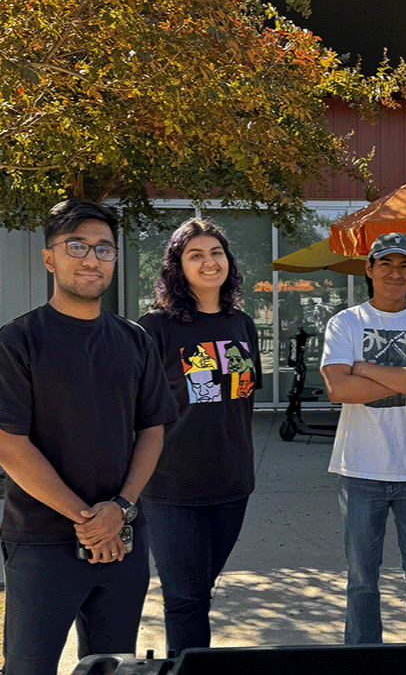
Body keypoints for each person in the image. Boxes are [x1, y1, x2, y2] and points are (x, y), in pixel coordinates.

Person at [0, 199, 178, 675]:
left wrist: (118, 511)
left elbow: (153, 430)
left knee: (111, 668)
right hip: (42, 542)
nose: (91, 259)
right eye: (76, 245)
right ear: (49, 257)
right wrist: (89, 520)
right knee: (27, 668)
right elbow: (10, 447)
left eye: (104, 249)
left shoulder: (135, 340)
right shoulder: (18, 342)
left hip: (123, 541)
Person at [138, 218, 262, 653]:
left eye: (216, 253)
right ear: (178, 266)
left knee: (199, 592)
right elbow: (134, 410)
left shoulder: (241, 324)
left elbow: (240, 403)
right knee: (186, 599)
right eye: (196, 255)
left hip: (232, 483)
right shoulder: (154, 328)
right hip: (172, 485)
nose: (209, 262)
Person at [320, 232, 406, 644]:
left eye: (405, 265)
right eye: (386, 264)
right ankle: (363, 660)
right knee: (361, 581)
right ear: (370, 269)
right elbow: (339, 391)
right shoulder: (344, 323)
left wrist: (362, 367)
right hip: (359, 470)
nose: (395, 273)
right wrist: (403, 380)